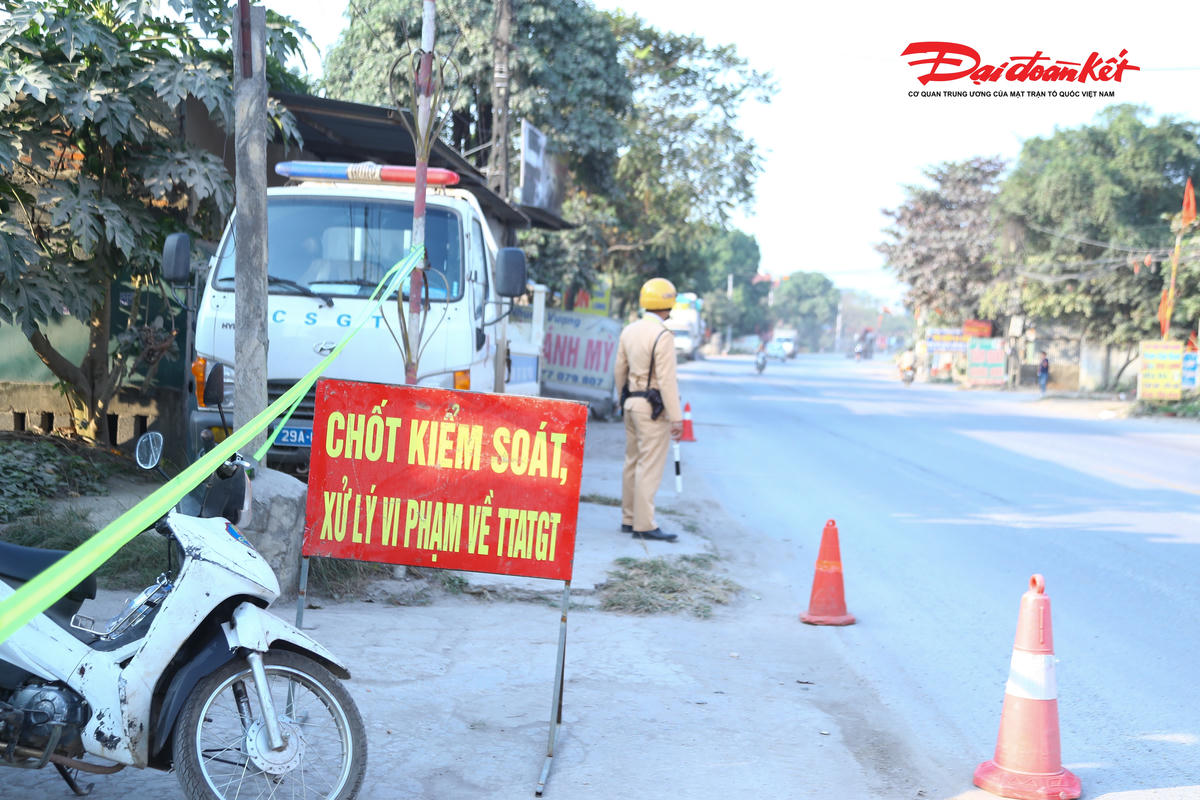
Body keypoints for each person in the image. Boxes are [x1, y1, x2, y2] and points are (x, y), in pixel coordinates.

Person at [614, 277, 684, 542]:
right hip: (652, 409)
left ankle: (628, 518)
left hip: (631, 404)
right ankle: (644, 525)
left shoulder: (629, 330)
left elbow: (619, 370)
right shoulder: (662, 336)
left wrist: (624, 401)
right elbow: (667, 380)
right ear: (668, 304)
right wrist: (676, 418)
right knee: (649, 465)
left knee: (631, 461)